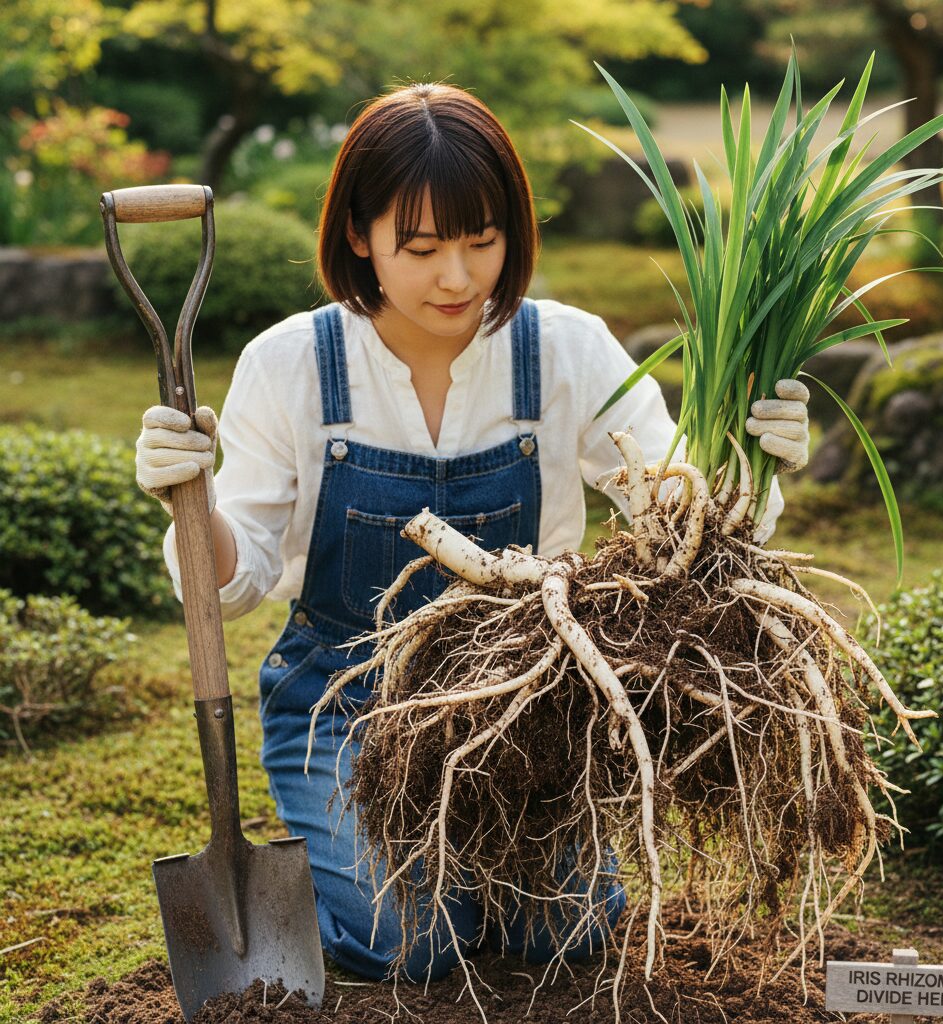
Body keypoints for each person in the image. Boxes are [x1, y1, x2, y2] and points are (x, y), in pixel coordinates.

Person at [134, 82, 810, 984]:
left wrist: (753, 466)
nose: (457, 278)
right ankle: (393, 879)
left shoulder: (566, 350)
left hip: (527, 708)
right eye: (419, 248)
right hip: (348, 705)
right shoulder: (291, 363)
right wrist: (190, 497)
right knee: (405, 942)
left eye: (481, 242)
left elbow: (679, 520)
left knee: (563, 938)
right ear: (357, 235)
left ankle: (477, 879)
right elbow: (237, 576)